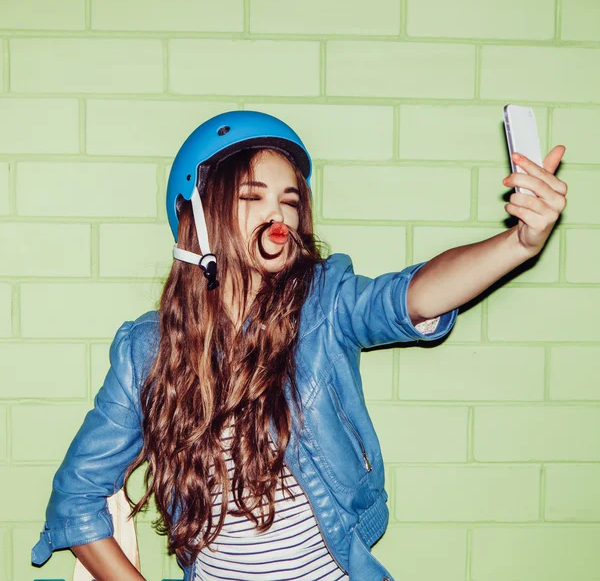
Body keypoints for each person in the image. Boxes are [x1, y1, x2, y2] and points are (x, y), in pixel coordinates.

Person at [31, 110, 567, 581]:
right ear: (199, 215)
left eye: (290, 200)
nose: (279, 215)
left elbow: (413, 297)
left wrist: (519, 243)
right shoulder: (147, 350)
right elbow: (76, 496)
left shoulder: (324, 301)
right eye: (252, 197)